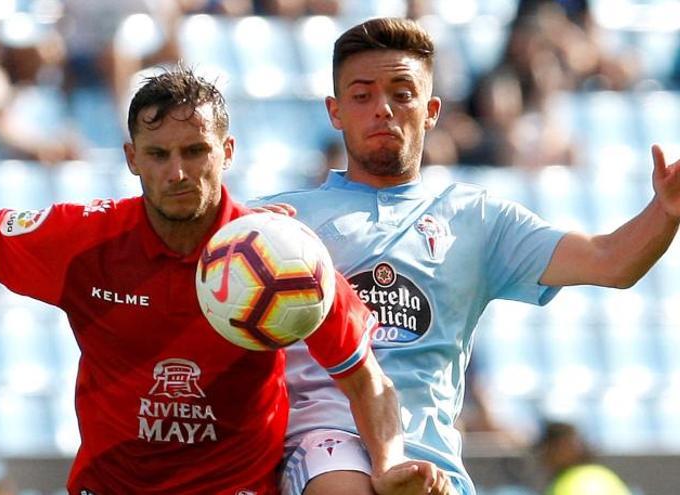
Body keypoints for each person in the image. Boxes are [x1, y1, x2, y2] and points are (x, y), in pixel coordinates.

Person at [0, 67, 443, 494]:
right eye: (158, 155)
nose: (177, 172)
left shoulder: (283, 257)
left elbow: (366, 378)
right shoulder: (86, 240)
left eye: (195, 152)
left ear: (227, 152)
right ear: (132, 158)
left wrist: (385, 464)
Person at [252, 17, 680, 495]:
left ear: (431, 110)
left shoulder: (476, 219)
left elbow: (610, 262)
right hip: (328, 450)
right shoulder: (279, 226)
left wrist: (666, 210)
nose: (383, 110)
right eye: (362, 95)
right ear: (335, 111)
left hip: (434, 466)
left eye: (402, 93)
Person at [537, 421, 631, 495]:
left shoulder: (582, 482)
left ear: (563, 446)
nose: (543, 455)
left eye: (548, 447)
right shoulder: (600, 473)